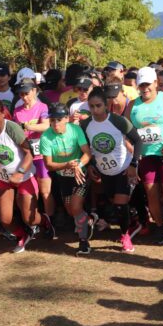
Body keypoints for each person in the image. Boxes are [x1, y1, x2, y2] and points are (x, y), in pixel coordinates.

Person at [126, 67, 163, 245]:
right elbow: (127, 132)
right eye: (141, 85)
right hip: (146, 156)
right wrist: (131, 148)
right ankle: (159, 227)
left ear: (155, 83)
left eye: (148, 84)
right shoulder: (133, 105)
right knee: (151, 194)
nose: (145, 88)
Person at [0, 97, 47, 253]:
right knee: (5, 219)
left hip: (24, 176)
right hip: (4, 179)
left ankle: (44, 221)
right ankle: (23, 235)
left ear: (2, 113)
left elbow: (29, 153)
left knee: (29, 218)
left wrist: (19, 172)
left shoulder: (12, 128)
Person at [82, 88, 143, 252]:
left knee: (120, 205)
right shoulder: (86, 124)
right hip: (104, 172)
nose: (95, 110)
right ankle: (136, 219)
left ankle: (125, 236)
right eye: (91, 106)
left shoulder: (118, 121)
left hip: (123, 169)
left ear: (106, 105)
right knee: (113, 202)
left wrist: (133, 165)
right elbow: (85, 148)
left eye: (98, 106)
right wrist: (90, 166)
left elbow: (138, 141)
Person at [40, 103, 94, 255]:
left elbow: (87, 153)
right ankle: (89, 219)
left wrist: (78, 165)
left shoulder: (75, 130)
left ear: (66, 119)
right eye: (52, 120)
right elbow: (48, 165)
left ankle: (84, 243)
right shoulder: (46, 136)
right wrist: (67, 165)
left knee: (76, 207)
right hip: (63, 178)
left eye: (58, 120)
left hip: (80, 174)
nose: (55, 124)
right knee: (71, 212)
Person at [12, 79, 56, 239]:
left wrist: (27, 127)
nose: (24, 97)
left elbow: (46, 126)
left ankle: (50, 222)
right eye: (21, 94)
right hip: (25, 157)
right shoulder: (17, 111)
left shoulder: (42, 107)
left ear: (35, 91)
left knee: (45, 192)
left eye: (27, 93)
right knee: (27, 192)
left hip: (41, 155)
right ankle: (33, 223)